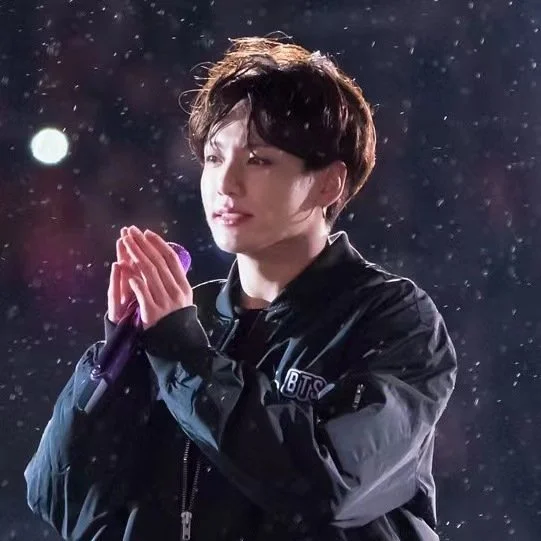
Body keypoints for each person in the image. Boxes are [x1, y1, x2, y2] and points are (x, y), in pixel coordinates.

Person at [24, 36, 457, 541]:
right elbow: (62, 501)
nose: (225, 184)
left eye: (258, 160)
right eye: (213, 157)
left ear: (328, 183)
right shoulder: (188, 318)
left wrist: (184, 356)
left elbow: (326, 482)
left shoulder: (392, 318)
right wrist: (118, 359)